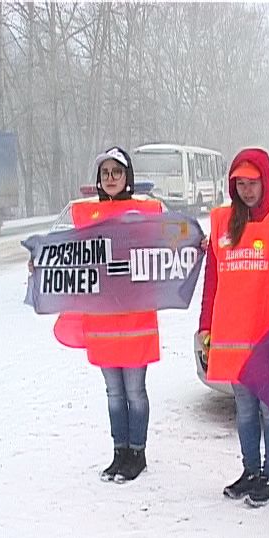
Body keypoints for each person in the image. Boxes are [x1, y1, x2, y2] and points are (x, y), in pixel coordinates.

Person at [198, 147, 269, 507]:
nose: (246, 190)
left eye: (252, 183)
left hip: (268, 335)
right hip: (232, 334)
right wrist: (205, 326)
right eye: (239, 183)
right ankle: (250, 471)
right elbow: (212, 280)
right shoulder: (221, 222)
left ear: (266, 182)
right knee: (244, 409)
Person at [52, 146, 162, 483]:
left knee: (135, 392)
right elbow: (68, 255)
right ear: (99, 180)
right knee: (114, 394)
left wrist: (193, 246)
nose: (111, 178)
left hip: (136, 321)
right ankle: (119, 453)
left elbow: (165, 248)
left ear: (127, 176)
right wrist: (43, 265)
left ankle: (137, 454)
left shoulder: (147, 212)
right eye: (105, 173)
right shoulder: (85, 216)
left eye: (117, 172)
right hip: (101, 324)